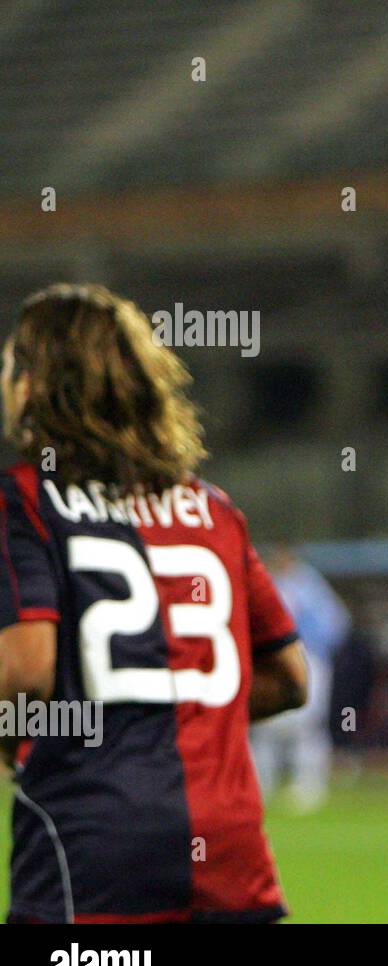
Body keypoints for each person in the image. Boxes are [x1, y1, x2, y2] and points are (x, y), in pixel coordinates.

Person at [0, 283, 307, 922]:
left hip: (94, 845)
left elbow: (23, 676)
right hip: (230, 853)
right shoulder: (213, 509)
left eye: (9, 366)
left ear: (31, 386)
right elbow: (288, 678)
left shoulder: (26, 500)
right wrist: (178, 719)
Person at [251, 546, 349, 813]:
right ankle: (261, 785)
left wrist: (314, 649)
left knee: (307, 725)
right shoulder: (266, 582)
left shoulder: (309, 584)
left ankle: (308, 786)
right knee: (266, 725)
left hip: (309, 659)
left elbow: (337, 623)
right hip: (271, 660)